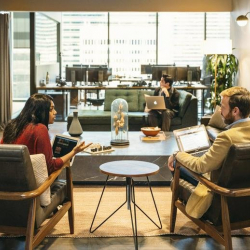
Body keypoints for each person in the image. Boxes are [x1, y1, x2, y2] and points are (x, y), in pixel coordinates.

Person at [168, 86, 250, 217]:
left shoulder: (227, 137)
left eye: (222, 107)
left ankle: (193, 205)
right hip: (244, 197)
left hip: (222, 195)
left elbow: (201, 166)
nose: (219, 112)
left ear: (235, 111)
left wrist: (177, 155)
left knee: (176, 164)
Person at [0, 93, 92, 175]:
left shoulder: (12, 125)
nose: (55, 112)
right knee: (65, 165)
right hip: (31, 186)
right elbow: (50, 167)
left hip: (7, 181)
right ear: (40, 111)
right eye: (51, 109)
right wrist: (74, 152)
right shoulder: (39, 129)